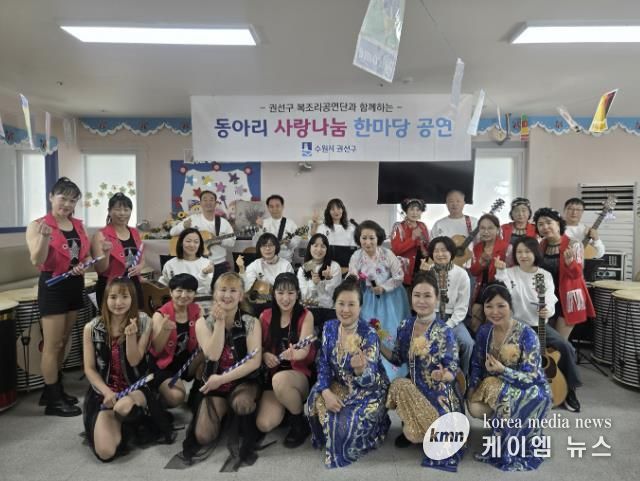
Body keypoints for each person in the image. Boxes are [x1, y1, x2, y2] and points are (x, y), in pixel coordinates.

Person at [82, 278, 173, 461]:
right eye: (113, 297)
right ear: (105, 299)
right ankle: (124, 425)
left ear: (133, 298)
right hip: (105, 393)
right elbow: (90, 369)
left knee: (123, 407)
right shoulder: (91, 328)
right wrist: (106, 392)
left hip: (135, 387)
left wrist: (130, 336)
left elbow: (134, 360)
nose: (118, 303)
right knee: (105, 452)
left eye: (125, 297)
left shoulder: (144, 320)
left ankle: (135, 417)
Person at [381, 271, 464, 471]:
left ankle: (430, 431)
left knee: (420, 434)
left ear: (436, 298)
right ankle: (416, 426)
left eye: (427, 296)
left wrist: (444, 375)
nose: (421, 301)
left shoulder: (444, 331)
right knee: (399, 385)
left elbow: (453, 366)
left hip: (439, 394)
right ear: (411, 298)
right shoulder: (405, 325)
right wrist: (378, 343)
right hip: (414, 391)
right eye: (417, 295)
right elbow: (397, 358)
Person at [467, 282, 552, 471]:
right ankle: (501, 431)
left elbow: (531, 377)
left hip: (530, 388)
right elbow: (476, 364)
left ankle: (504, 445)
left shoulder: (527, 334)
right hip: (496, 384)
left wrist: (503, 370)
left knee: (504, 394)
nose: (494, 312)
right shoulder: (485, 331)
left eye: (501, 306)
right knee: (475, 406)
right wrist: (471, 389)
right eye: (489, 306)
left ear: (511, 306)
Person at [307, 279, 390, 468]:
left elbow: (371, 379)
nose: (345, 310)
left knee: (344, 427)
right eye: (341, 303)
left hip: (369, 391)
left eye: (351, 304)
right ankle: (331, 426)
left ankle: (377, 427)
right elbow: (323, 363)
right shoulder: (329, 327)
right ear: (334, 304)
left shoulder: (369, 334)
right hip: (340, 384)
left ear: (360, 307)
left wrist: (360, 370)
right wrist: (326, 392)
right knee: (315, 398)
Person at [182, 272, 262, 470]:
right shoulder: (202, 323)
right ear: (214, 294)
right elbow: (213, 354)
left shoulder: (251, 322)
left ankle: (237, 411)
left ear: (241, 296)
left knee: (242, 404)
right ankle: (224, 412)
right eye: (223, 290)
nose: (227, 295)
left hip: (242, 381)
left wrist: (222, 378)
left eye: (233, 291)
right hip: (214, 385)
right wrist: (219, 323)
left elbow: (254, 362)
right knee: (203, 436)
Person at [495, 236, 582, 412]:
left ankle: (570, 390)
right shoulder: (510, 273)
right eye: (519, 252)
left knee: (565, 347)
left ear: (535, 253)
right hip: (517, 326)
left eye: (527, 251)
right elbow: (505, 293)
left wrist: (547, 310)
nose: (523, 255)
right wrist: (501, 272)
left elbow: (550, 298)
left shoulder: (544, 275)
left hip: (539, 324)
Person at [26, 177, 89, 416]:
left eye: (72, 200)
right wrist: (44, 237)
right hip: (53, 285)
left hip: (74, 284)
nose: (67, 204)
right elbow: (37, 259)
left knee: (63, 340)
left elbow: (83, 255)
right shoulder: (38, 225)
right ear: (51, 197)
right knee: (52, 344)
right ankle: (53, 401)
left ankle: (53, 388)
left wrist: (83, 265)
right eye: (63, 198)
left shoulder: (78, 225)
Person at [257, 273, 315, 448]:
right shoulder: (265, 316)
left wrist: (294, 354)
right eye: (280, 293)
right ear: (273, 294)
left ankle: (299, 422)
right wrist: (265, 355)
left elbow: (304, 349)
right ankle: (288, 408)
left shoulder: (306, 315)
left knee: (280, 380)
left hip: (298, 376)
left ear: (297, 294)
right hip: (272, 375)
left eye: (290, 293)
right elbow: (258, 348)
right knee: (264, 424)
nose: (285, 298)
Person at [348, 220, 410, 380]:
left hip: (391, 297)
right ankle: (371, 368)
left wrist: (383, 287)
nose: (367, 242)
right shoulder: (356, 256)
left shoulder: (387, 254)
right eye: (364, 238)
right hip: (368, 297)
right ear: (359, 239)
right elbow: (352, 275)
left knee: (392, 329)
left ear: (378, 239)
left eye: (372, 238)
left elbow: (399, 276)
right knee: (369, 329)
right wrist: (355, 280)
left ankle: (395, 372)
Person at [533, 207, 595, 340]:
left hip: (568, 299)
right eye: (540, 224)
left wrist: (570, 263)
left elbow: (577, 275)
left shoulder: (574, 244)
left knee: (559, 342)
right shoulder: (540, 245)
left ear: (558, 223)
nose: (545, 227)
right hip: (547, 298)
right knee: (544, 340)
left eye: (549, 222)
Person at [420, 236, 474, 377]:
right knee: (423, 342)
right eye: (436, 251)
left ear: (451, 252)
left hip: (453, 318)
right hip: (431, 316)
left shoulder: (461, 274)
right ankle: (425, 377)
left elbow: (462, 306)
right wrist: (423, 275)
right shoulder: (427, 271)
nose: (440, 254)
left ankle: (463, 377)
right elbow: (421, 301)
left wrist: (448, 325)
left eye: (444, 250)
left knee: (468, 343)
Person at [149, 273, 204, 407]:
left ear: (194, 293)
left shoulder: (197, 310)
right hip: (164, 365)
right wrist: (164, 330)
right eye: (179, 290)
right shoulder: (160, 315)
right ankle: (156, 397)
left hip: (187, 362)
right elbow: (156, 350)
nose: (184, 295)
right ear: (171, 292)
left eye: (189, 291)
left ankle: (196, 395)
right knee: (176, 397)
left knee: (207, 354)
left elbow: (203, 342)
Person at [170, 190, 235, 286]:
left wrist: (218, 240)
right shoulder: (193, 219)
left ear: (215, 203)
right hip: (196, 264)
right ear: (200, 203)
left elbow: (232, 241)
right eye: (205, 200)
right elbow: (172, 232)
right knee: (196, 291)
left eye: (211, 200)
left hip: (219, 265)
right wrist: (183, 226)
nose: (208, 202)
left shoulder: (223, 222)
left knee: (219, 291)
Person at [92, 193, 145, 309]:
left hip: (133, 285)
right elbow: (100, 269)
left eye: (126, 210)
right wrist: (106, 253)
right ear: (109, 211)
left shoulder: (134, 232)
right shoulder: (100, 235)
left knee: (136, 318)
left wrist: (139, 267)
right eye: (117, 209)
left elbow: (141, 258)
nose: (122, 213)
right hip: (111, 287)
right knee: (113, 320)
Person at [469, 214, 509, 333]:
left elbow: (511, 273)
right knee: (475, 317)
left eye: (490, 228)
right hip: (481, 288)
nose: (486, 231)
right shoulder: (477, 248)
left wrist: (500, 268)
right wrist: (481, 262)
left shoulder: (506, 247)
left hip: (499, 288)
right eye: (482, 228)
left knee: (491, 322)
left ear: (497, 229)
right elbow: (474, 272)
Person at [297, 233, 342, 328]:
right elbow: (304, 296)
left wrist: (326, 281)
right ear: (310, 247)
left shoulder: (334, 267)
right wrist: (314, 284)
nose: (319, 249)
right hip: (309, 310)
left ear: (327, 249)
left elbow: (334, 296)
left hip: (329, 310)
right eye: (315, 245)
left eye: (323, 246)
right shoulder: (305, 267)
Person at [159, 228, 213, 299]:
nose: (192, 245)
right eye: (188, 241)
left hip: (200, 302)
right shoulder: (170, 264)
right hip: (177, 302)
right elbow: (163, 286)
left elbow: (204, 290)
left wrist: (204, 273)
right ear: (181, 243)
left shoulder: (207, 263)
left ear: (200, 245)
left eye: (196, 242)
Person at [237, 232, 294, 297]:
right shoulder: (255, 264)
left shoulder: (286, 265)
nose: (267, 248)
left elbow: (291, 289)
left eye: (270, 245)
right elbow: (245, 288)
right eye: (264, 246)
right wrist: (241, 268)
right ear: (259, 249)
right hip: (262, 300)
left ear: (276, 247)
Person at [391, 198, 430, 286]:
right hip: (405, 268)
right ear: (406, 211)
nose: (415, 213)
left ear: (421, 212)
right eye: (412, 209)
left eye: (418, 210)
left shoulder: (422, 225)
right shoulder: (398, 227)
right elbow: (396, 250)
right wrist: (412, 238)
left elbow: (427, 246)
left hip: (422, 265)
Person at [253, 195, 301, 263]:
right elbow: (255, 243)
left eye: (277, 206)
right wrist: (259, 229)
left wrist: (289, 242)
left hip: (285, 261)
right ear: (268, 208)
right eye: (271, 206)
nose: (274, 209)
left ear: (282, 206)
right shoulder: (263, 223)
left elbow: (296, 244)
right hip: (266, 260)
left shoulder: (291, 224)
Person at [501, 197, 537, 266]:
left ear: (529, 213)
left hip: (528, 266)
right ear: (511, 213)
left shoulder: (536, 229)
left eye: (524, 210)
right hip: (506, 266)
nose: (520, 214)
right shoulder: (503, 228)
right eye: (516, 211)